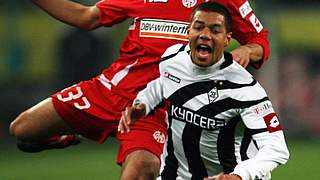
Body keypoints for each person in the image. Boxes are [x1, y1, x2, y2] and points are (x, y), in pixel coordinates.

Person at [9, 0, 270, 179]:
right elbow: (86, 17)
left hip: (155, 110)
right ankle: (69, 136)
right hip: (109, 91)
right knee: (22, 129)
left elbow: (259, 39)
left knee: (143, 169)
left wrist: (247, 49)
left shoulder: (223, 4)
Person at [118, 2, 289, 180]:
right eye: (198, 27)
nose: (205, 35)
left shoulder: (244, 89)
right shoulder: (172, 58)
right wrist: (142, 105)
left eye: (215, 30)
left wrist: (239, 175)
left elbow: (276, 148)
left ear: (227, 39)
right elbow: (160, 85)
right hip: (176, 174)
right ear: (188, 32)